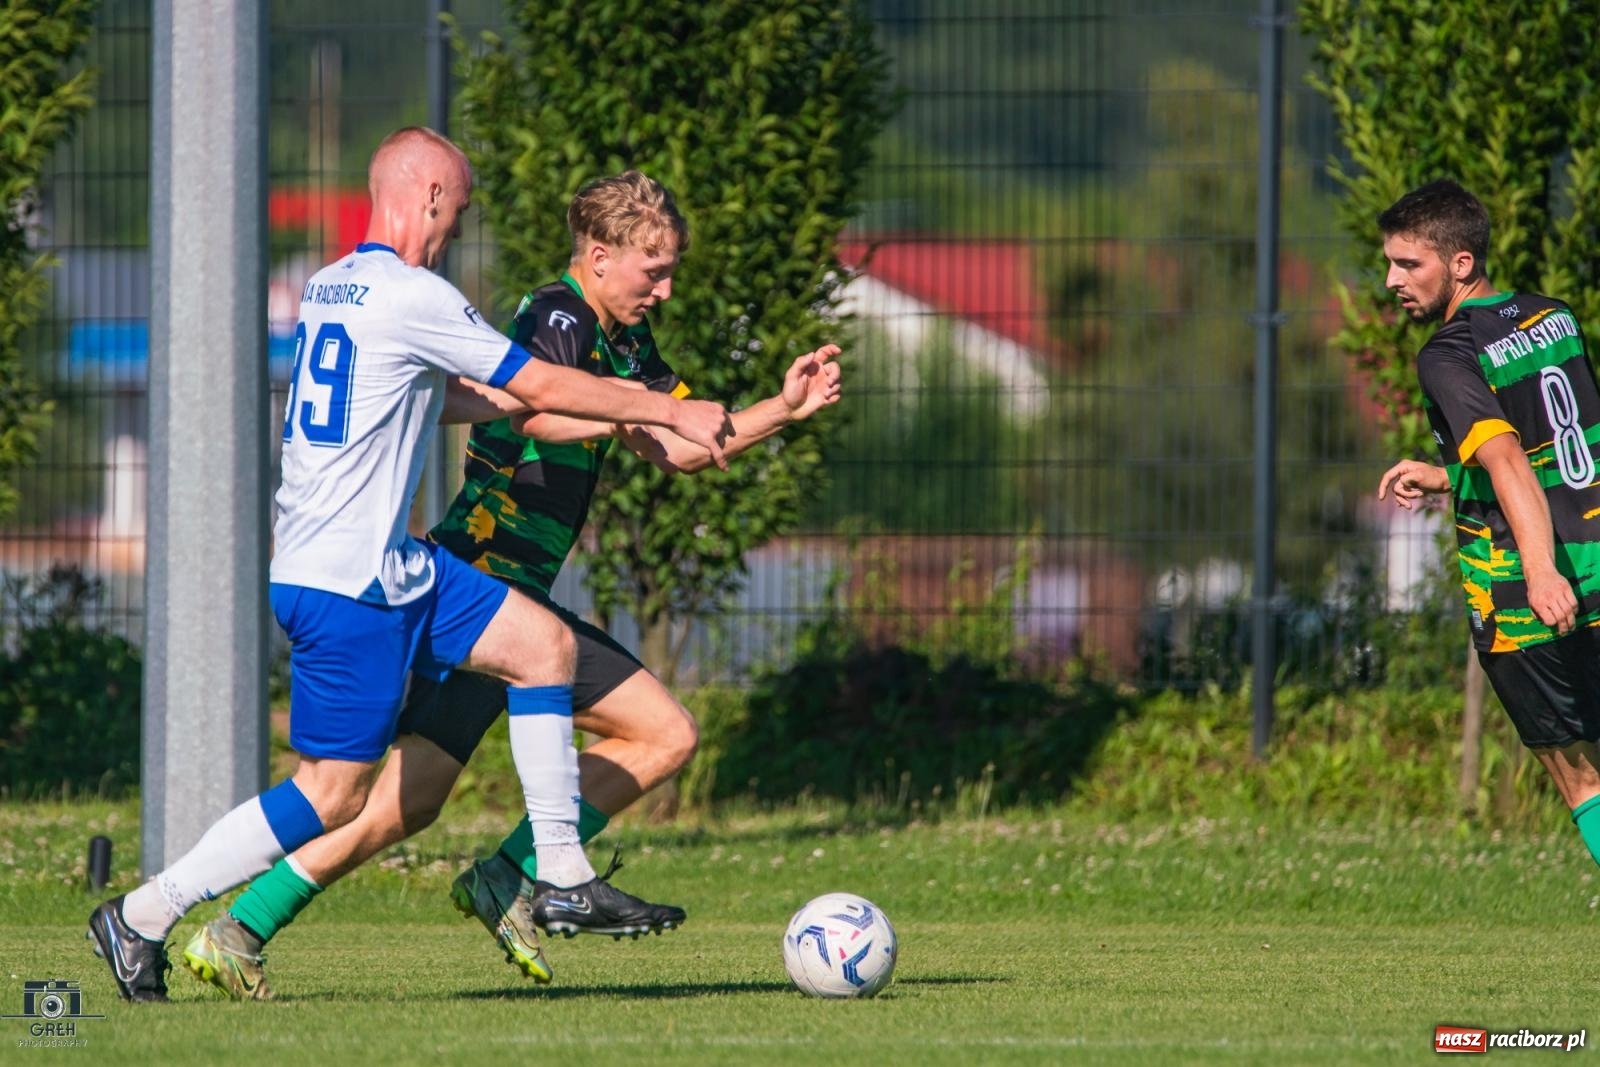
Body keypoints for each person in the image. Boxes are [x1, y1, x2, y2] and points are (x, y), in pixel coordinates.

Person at [87, 130, 735, 1003]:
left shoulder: (332, 285)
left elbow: (447, 394)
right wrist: (658, 409)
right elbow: (540, 387)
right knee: (330, 796)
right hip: (351, 582)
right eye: (457, 213)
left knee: (540, 647)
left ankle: (559, 873)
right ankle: (143, 914)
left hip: (381, 566)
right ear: (429, 196)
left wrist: (553, 402)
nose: (455, 231)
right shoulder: (413, 292)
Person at [1375, 179, 1600, 868]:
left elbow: (1506, 458)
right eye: (1389, 263)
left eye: (1408, 264)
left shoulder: (1447, 352)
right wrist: (1449, 475)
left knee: (1582, 778)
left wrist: (1539, 570)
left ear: (1461, 263)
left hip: (1524, 594)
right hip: (1594, 557)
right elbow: (1560, 445)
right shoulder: (1553, 317)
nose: (1392, 281)